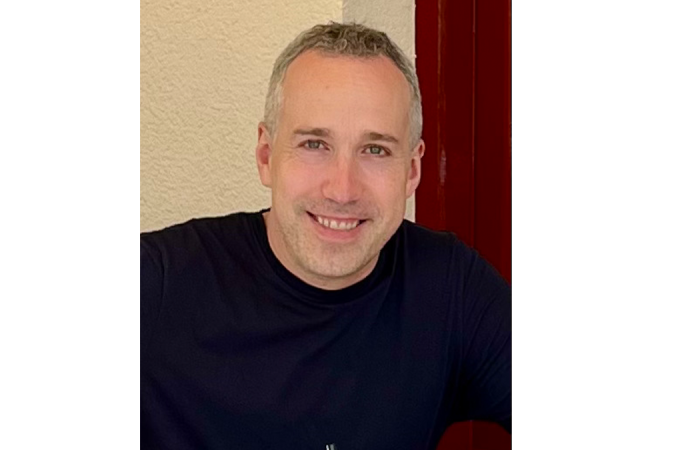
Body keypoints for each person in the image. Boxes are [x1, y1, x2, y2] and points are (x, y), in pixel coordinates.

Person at [141, 22, 511, 449]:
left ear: (412, 170)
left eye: (375, 150)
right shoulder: (157, 284)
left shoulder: (451, 288)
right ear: (266, 155)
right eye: (315, 144)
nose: (342, 189)